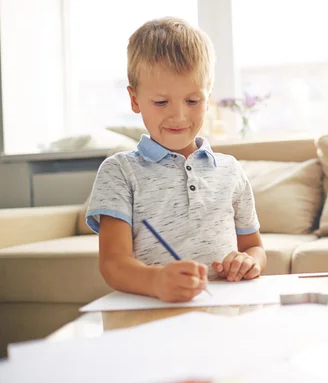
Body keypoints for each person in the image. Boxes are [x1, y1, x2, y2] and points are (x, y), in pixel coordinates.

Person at [86, 17, 266, 302]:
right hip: (151, 312)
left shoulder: (231, 170)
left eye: (193, 101)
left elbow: (254, 247)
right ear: (135, 100)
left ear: (209, 97)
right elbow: (113, 265)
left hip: (224, 312)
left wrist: (249, 262)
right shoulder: (119, 172)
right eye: (161, 102)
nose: (179, 116)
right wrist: (157, 281)